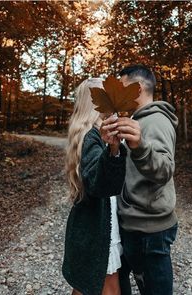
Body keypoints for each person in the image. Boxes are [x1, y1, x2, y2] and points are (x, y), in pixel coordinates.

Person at [102, 64, 179, 295]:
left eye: (123, 87)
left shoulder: (156, 121)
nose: (118, 95)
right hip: (134, 225)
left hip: (149, 230)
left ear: (136, 89)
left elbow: (165, 169)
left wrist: (140, 147)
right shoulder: (138, 120)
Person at [62, 78, 127, 295]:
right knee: (108, 286)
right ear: (96, 103)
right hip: (98, 228)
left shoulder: (87, 135)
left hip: (89, 225)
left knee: (87, 284)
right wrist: (113, 152)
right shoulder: (93, 137)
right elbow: (97, 184)